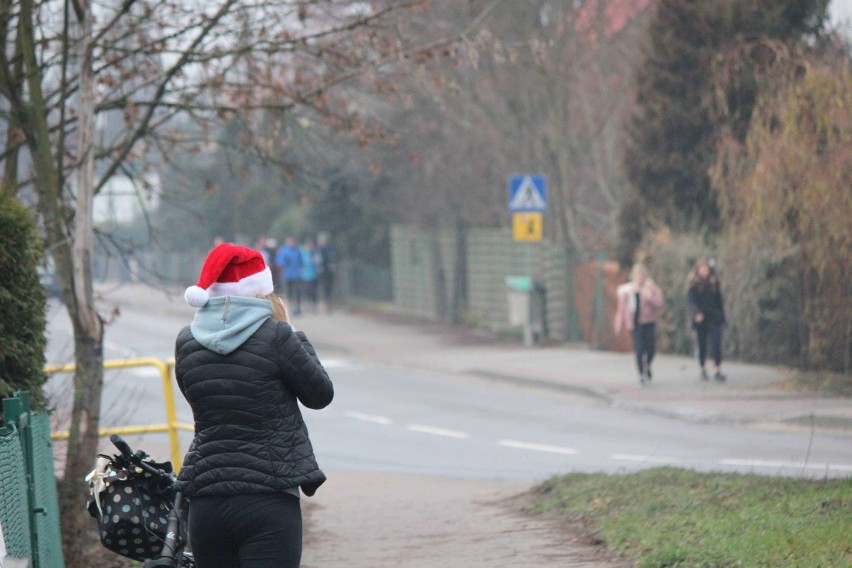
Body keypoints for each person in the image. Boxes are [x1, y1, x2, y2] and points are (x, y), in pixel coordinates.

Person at [176, 243, 334, 567]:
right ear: (262, 293)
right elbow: (320, 395)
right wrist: (293, 333)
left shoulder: (186, 341)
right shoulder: (277, 336)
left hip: (205, 502)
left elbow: (197, 399)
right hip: (269, 499)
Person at [614, 262, 664, 385]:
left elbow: (659, 303)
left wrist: (649, 298)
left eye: (642, 275)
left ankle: (647, 365)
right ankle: (641, 374)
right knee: (639, 349)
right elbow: (621, 310)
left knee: (651, 349)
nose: (640, 278)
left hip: (648, 322)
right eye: (637, 275)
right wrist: (618, 325)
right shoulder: (626, 291)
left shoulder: (651, 288)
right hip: (634, 324)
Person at [687, 259, 726, 381]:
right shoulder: (693, 285)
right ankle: (703, 368)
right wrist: (696, 314)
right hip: (700, 319)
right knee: (702, 344)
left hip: (714, 317)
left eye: (706, 269)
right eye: (702, 269)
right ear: (698, 271)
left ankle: (718, 369)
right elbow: (691, 302)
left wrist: (723, 318)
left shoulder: (714, 283)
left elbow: (719, 302)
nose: (704, 271)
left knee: (716, 344)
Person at [275, 236, 303, 315]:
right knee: (290, 292)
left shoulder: (297, 250)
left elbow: (301, 261)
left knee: (297, 292)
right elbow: (279, 262)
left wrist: (301, 267)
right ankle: (291, 307)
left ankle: (298, 307)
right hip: (288, 275)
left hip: (297, 274)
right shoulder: (284, 250)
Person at [316, 233, 336, 311]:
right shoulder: (319, 250)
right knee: (323, 288)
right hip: (322, 272)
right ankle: (325, 304)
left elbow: (332, 259)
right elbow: (318, 261)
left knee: (329, 288)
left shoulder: (330, 249)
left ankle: (329, 304)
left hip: (329, 271)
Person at [300, 239, 319, 313]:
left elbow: (318, 262)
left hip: (314, 275)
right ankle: (308, 304)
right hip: (305, 276)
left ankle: (314, 305)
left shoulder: (315, 253)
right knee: (307, 291)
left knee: (314, 291)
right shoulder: (303, 253)